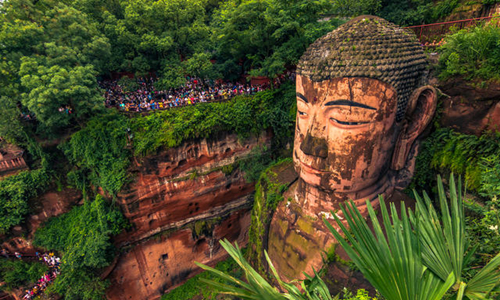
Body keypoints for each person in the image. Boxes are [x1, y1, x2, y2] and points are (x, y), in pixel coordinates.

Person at [267, 15, 437, 280]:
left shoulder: (404, 237)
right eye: (302, 111)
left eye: (345, 118)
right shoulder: (275, 191)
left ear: (412, 122)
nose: (309, 145)